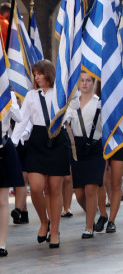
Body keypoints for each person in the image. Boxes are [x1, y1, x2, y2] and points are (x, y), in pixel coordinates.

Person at [12, 59, 72, 249]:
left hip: (57, 139)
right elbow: (22, 120)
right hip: (37, 140)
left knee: (54, 189)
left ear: (48, 74)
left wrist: (74, 93)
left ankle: (54, 231)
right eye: (35, 74)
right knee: (36, 187)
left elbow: (74, 108)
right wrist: (12, 143)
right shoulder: (30, 95)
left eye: (39, 73)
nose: (37, 77)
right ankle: (43, 221)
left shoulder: (61, 93)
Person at [66, 72, 105, 238]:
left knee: (90, 190)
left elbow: (106, 127)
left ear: (94, 83)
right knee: (80, 193)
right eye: (82, 80)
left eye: (88, 80)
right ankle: (92, 211)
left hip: (95, 149)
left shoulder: (100, 104)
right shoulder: (72, 104)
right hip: (77, 149)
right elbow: (65, 123)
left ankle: (89, 227)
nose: (85, 83)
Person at [1, 90, 24, 256]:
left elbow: (19, 117)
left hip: (2, 146)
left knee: (2, 200)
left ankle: (1, 243)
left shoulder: (7, 94)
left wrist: (8, 101)